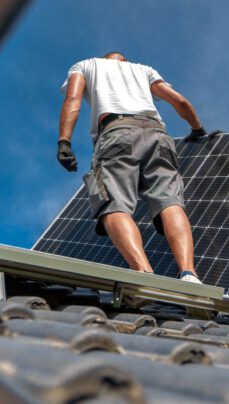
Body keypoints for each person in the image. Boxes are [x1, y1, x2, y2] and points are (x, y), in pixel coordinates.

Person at [57, 51, 209, 285]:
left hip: (116, 133)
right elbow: (179, 101)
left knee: (114, 202)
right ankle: (189, 274)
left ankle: (143, 273)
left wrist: (64, 141)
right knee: (169, 202)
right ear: (124, 61)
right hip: (158, 134)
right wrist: (198, 129)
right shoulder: (144, 70)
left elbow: (73, 100)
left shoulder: (85, 65)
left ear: (105, 59)